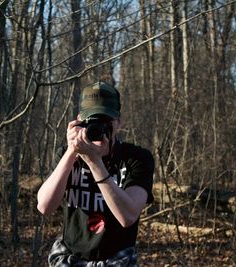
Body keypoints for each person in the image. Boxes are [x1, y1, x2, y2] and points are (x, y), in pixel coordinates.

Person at [37, 82, 154, 266]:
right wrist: (71, 152)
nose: (100, 130)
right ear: (78, 121)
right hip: (71, 259)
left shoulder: (136, 158)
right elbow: (44, 207)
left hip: (117, 260)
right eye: (92, 122)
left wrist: (95, 162)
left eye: (106, 122)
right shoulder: (68, 156)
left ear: (119, 122)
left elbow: (128, 216)